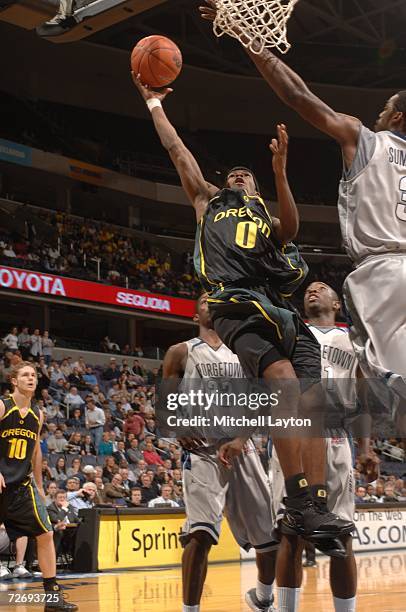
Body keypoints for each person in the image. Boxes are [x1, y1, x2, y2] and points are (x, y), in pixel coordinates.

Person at [133, 72, 353, 550]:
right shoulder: (209, 200)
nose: (238, 175)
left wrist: (278, 171)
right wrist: (154, 104)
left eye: (245, 175)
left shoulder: (264, 216)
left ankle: (314, 506)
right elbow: (177, 151)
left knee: (312, 402)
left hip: (278, 308)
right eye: (234, 173)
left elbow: (291, 229)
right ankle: (296, 501)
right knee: (282, 383)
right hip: (233, 300)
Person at [199, 1, 406, 405]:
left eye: (385, 109)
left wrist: (246, 34)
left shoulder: (364, 138)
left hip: (382, 275)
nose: (379, 114)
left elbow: (297, 95)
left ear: (397, 117)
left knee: (390, 385)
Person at [162, 294, 281, 612]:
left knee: (268, 537)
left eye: (216, 299)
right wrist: (179, 428)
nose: (210, 303)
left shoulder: (245, 351)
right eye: (203, 300)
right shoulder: (181, 352)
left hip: (242, 448)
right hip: (202, 452)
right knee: (200, 535)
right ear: (193, 316)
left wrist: (242, 439)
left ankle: (263, 599)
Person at [270, 282, 360, 612]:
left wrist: (365, 448)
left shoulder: (353, 339)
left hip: (337, 435)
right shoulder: (289, 331)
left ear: (336, 304)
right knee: (290, 531)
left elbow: (363, 393)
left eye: (321, 288)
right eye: (309, 288)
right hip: (295, 434)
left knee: (343, 535)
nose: (313, 290)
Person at [0, 362, 77, 610]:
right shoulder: (3, 406)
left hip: (22, 486)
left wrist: (41, 485)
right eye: (25, 375)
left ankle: (52, 597)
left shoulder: (38, 413)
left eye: (33, 375)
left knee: (46, 534)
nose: (31, 378)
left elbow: (35, 452)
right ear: (14, 380)